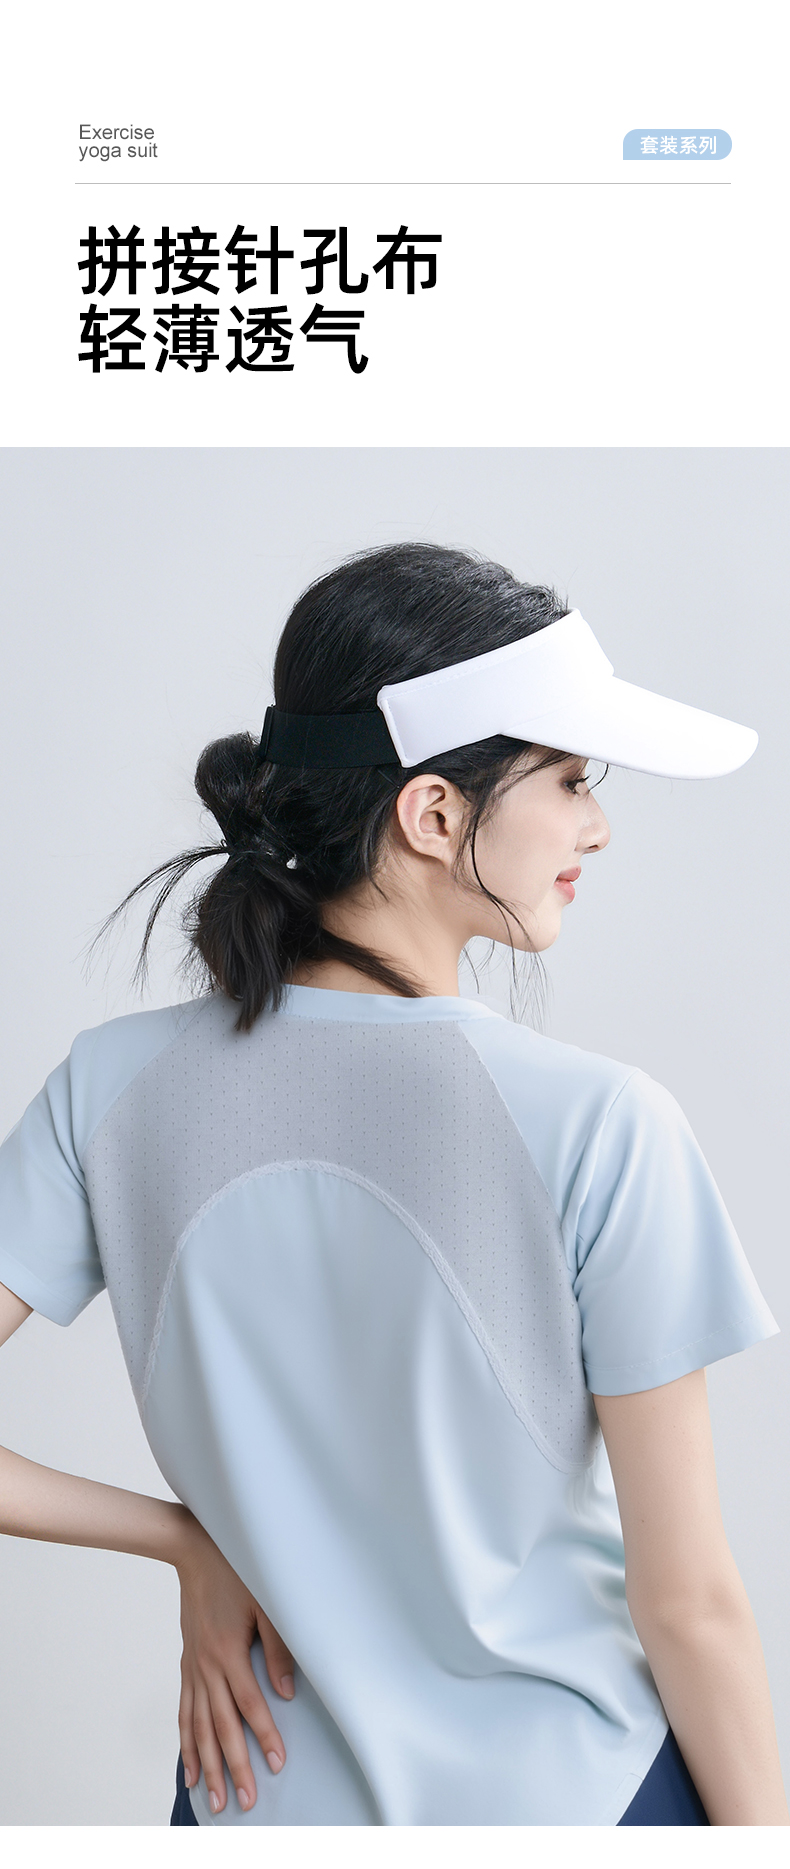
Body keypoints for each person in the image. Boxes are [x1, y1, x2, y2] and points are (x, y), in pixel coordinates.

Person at [0, 543, 786, 1828]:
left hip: (252, 1796)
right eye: (570, 780)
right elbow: (686, 1602)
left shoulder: (112, 1086)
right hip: (576, 1802)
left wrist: (183, 1538)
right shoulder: (599, 1122)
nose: (595, 825)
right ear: (432, 814)